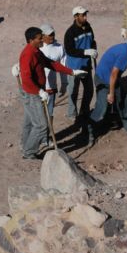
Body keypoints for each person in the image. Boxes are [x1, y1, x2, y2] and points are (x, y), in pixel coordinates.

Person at [19, 27, 87, 159]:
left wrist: (72, 72)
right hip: (32, 94)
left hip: (35, 92)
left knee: (29, 121)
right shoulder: (28, 54)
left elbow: (51, 63)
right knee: (41, 126)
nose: (42, 40)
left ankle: (25, 145)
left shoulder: (36, 51)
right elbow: (26, 79)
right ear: (31, 40)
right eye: (39, 38)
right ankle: (29, 152)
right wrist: (39, 91)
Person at [87, 35, 127, 145]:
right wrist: (111, 93)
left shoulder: (124, 48)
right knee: (102, 106)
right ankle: (89, 129)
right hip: (104, 80)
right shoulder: (125, 53)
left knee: (124, 99)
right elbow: (114, 73)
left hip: (107, 77)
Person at [64, 6, 98, 121]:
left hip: (87, 64)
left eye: (85, 14)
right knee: (73, 91)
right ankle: (71, 113)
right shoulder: (70, 32)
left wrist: (94, 50)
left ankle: (84, 110)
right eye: (82, 15)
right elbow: (69, 50)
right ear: (75, 16)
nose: (85, 17)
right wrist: (85, 52)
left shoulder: (88, 27)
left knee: (89, 90)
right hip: (74, 67)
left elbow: (92, 41)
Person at [39, 24, 66, 132]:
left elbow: (63, 67)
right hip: (38, 88)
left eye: (53, 34)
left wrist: (64, 84)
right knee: (38, 115)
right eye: (49, 35)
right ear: (43, 36)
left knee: (49, 113)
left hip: (51, 87)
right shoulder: (38, 48)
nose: (52, 36)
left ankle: (47, 136)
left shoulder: (59, 48)